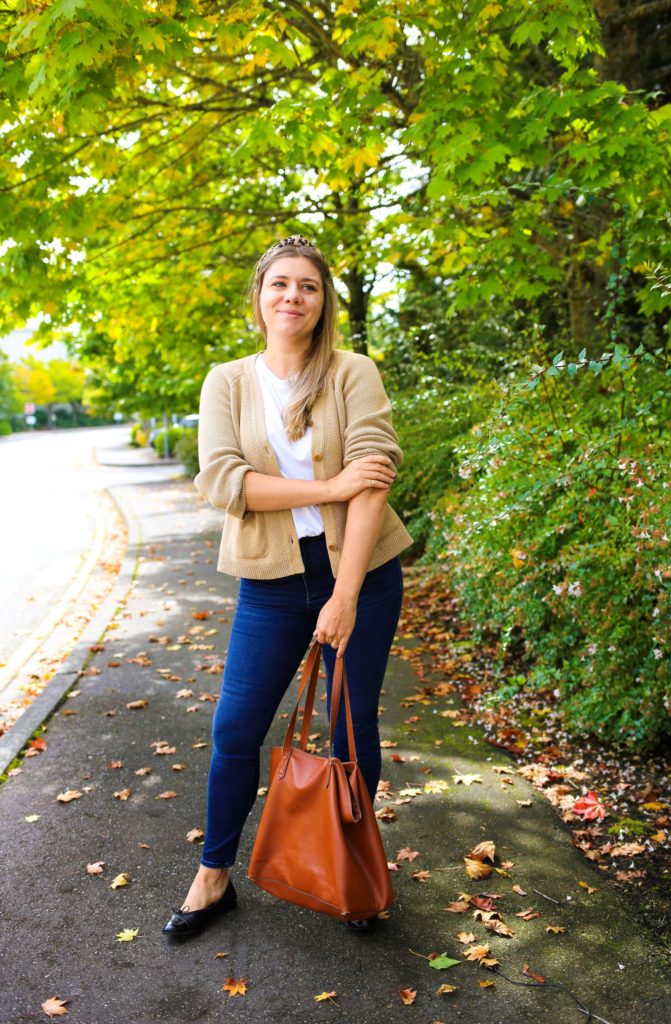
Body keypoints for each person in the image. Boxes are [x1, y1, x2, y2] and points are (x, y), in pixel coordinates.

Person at [162, 234, 413, 939]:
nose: (292, 296)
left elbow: (375, 480)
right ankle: (213, 877)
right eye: (279, 284)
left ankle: (356, 868)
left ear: (322, 300)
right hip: (271, 582)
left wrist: (346, 594)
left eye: (307, 285)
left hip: (360, 572)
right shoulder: (228, 381)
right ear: (259, 297)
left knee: (350, 731)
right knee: (236, 729)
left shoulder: (353, 372)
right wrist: (329, 484)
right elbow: (223, 481)